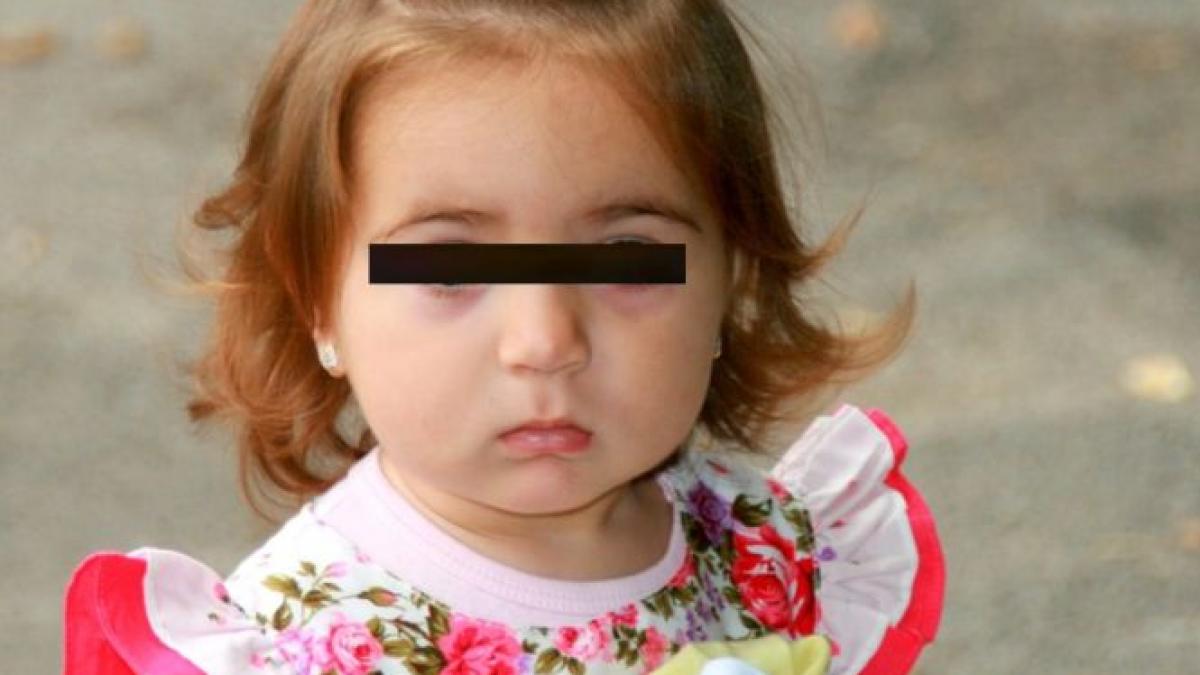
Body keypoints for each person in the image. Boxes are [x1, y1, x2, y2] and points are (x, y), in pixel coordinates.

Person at [62, 1, 944, 673]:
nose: (544, 339)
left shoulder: (766, 550)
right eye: (450, 269)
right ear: (318, 306)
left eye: (626, 258)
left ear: (734, 280)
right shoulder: (309, 640)